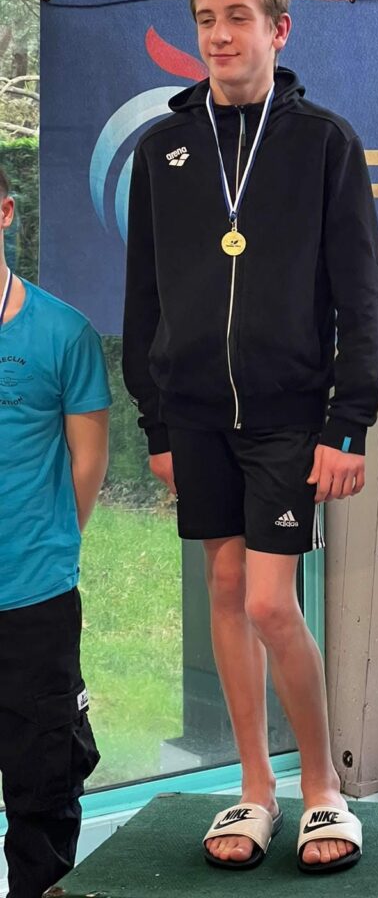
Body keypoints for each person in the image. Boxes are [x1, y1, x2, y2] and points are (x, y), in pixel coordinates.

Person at [123, 0, 378, 874]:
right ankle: (255, 788)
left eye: (238, 17)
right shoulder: (163, 148)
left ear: (279, 29)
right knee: (227, 592)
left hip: (288, 413)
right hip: (195, 414)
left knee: (273, 603)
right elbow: (144, 293)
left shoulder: (324, 143)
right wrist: (156, 421)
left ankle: (323, 788)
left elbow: (363, 296)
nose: (219, 36)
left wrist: (348, 422)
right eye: (206, 19)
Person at [0, 166, 111, 898]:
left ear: (6, 212)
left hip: (33, 599)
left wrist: (44, 548)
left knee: (43, 782)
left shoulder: (64, 332)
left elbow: (87, 464)